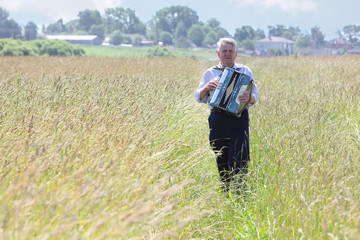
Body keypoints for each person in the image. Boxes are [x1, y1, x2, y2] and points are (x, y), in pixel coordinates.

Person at [195, 38, 258, 192]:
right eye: (224, 51)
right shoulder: (210, 73)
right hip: (217, 120)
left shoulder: (245, 71)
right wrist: (206, 88)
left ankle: (240, 193)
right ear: (218, 54)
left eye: (230, 51)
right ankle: (226, 192)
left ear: (236, 54)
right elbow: (198, 96)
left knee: (240, 157)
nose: (227, 54)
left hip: (239, 119)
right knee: (221, 157)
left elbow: (255, 96)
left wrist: (248, 97)